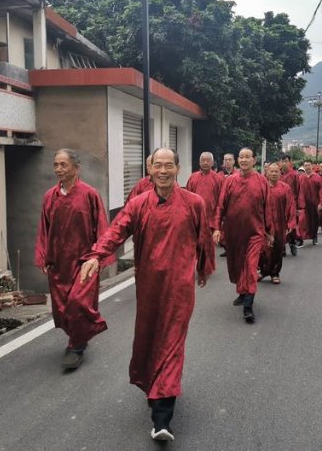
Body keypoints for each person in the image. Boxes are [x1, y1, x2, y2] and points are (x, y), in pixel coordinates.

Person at [79, 148, 215, 442]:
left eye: (169, 166)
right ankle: (154, 386)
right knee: (149, 339)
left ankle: (162, 418)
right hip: (148, 287)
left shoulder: (194, 203)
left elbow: (203, 238)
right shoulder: (138, 204)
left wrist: (204, 267)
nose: (163, 171)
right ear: (150, 169)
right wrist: (96, 256)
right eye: (158, 166)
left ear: (178, 169)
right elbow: (115, 232)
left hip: (179, 288)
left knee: (172, 343)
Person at [35, 149, 114, 370]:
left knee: (79, 303)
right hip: (59, 263)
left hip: (85, 262)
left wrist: (99, 256)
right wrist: (43, 256)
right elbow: (44, 229)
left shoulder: (89, 194)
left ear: (76, 167)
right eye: (56, 165)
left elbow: (102, 227)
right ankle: (78, 338)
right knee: (63, 308)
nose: (58, 169)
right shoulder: (50, 196)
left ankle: (76, 347)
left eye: (63, 164)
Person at [213, 147, 273, 324]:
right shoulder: (230, 181)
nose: (244, 160)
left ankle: (248, 306)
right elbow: (220, 206)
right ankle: (242, 292)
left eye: (248, 157)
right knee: (237, 265)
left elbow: (267, 208)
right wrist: (217, 228)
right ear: (238, 160)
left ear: (254, 160)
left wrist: (269, 232)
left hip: (255, 233)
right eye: (241, 157)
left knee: (251, 266)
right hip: (233, 233)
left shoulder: (262, 181)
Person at [259, 163, 296, 284]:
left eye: (276, 171)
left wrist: (290, 223)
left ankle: (274, 273)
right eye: (271, 171)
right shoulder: (262, 187)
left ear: (280, 173)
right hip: (263, 224)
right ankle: (263, 271)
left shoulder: (285, 188)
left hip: (280, 224)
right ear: (267, 172)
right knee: (262, 249)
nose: (274, 173)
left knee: (278, 248)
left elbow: (291, 206)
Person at [185, 151, 225, 227]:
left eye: (208, 160)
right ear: (199, 163)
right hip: (195, 218)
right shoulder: (193, 177)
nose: (205, 163)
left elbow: (221, 201)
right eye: (203, 160)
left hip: (212, 220)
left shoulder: (218, 179)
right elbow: (187, 198)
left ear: (212, 163)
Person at [279, 155, 303, 254]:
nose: (284, 163)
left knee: (291, 225)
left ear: (290, 162)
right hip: (280, 205)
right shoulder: (278, 174)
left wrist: (298, 207)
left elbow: (299, 190)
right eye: (282, 161)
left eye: (286, 161)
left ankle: (292, 243)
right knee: (280, 226)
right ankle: (282, 248)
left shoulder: (294, 175)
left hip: (292, 204)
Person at [299, 160, 322, 245]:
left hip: (314, 204)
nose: (307, 167)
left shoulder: (317, 177)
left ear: (312, 166)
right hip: (303, 204)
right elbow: (298, 191)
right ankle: (301, 239)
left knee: (314, 221)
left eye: (308, 165)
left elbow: (321, 190)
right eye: (305, 165)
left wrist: (321, 203)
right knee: (303, 222)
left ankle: (314, 237)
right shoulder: (301, 178)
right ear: (304, 167)